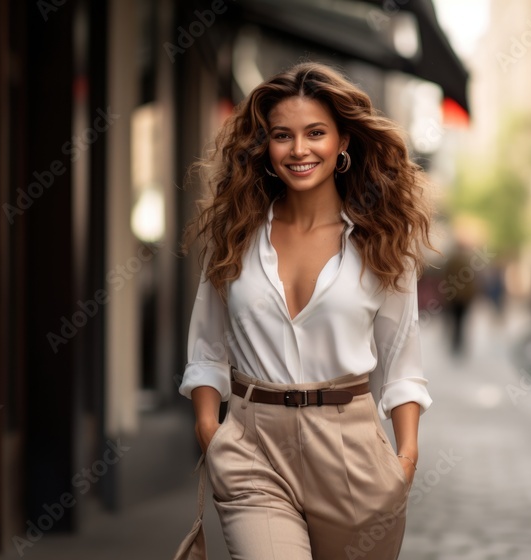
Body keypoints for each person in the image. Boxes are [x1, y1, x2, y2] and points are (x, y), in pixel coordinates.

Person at [174, 62, 436, 559]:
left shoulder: (382, 244)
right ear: (265, 148)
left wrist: (405, 460)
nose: (299, 149)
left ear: (342, 143)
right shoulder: (235, 237)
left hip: (352, 453)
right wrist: (212, 432)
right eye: (282, 135)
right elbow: (206, 348)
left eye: (315, 133)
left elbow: (403, 363)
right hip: (253, 450)